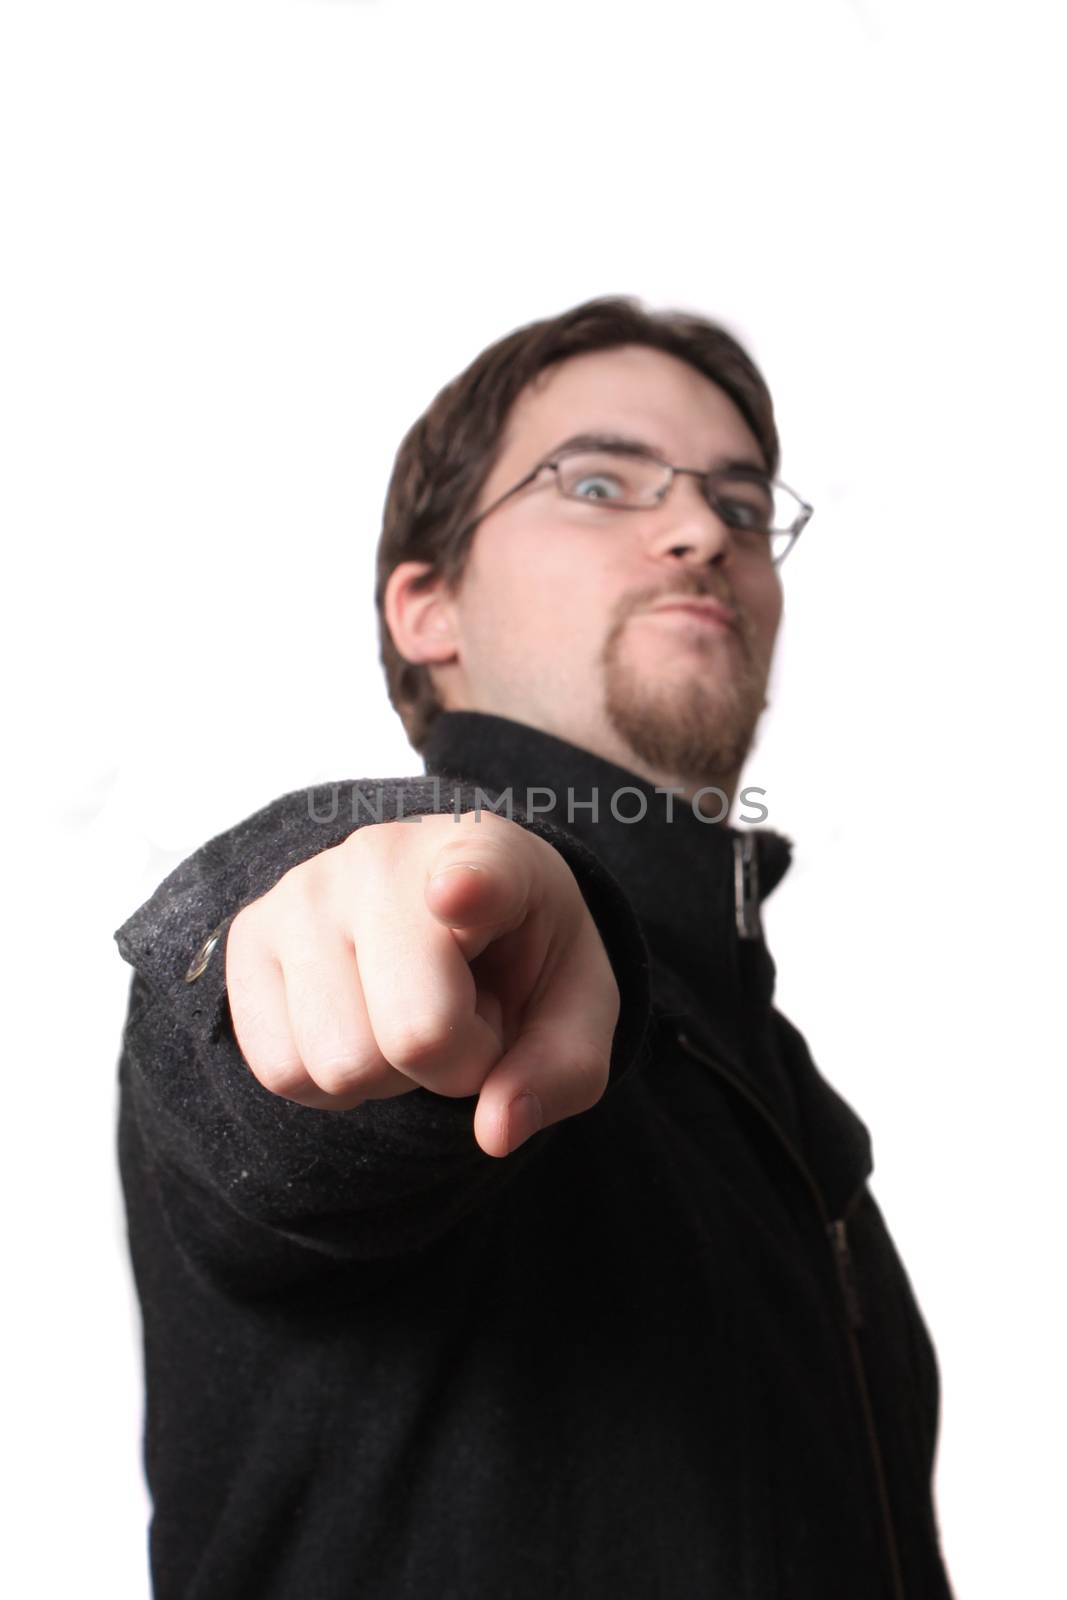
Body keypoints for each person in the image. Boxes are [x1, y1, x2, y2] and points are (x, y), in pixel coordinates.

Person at [115, 296, 955, 1599]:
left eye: (740, 505)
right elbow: (291, 1023)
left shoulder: (796, 1117)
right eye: (602, 481)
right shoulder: (379, 870)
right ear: (427, 607)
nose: (696, 532)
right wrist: (374, 948)